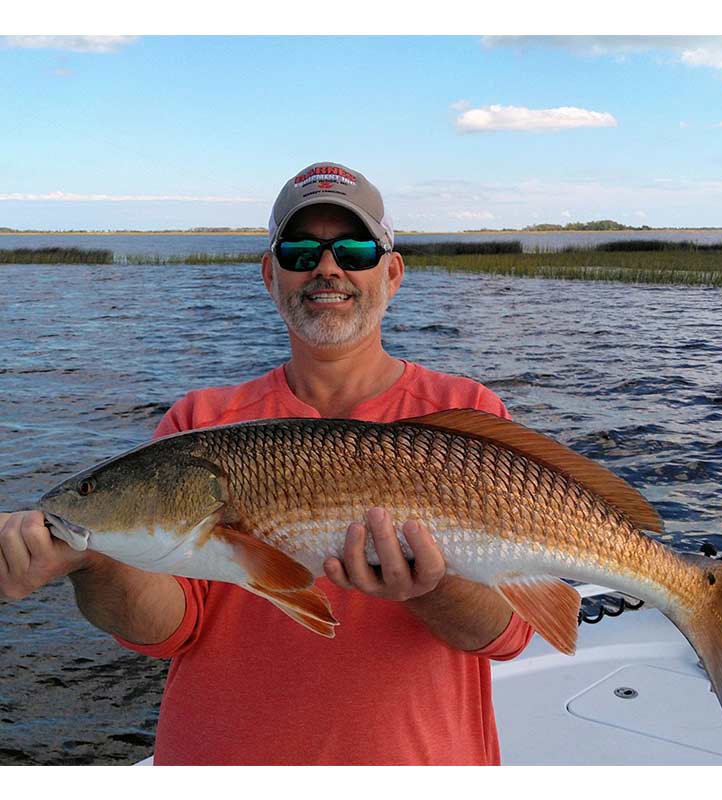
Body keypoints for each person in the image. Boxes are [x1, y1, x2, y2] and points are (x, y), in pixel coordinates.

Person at [0, 162, 533, 765]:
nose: (327, 268)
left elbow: (507, 635)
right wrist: (92, 562)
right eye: (300, 250)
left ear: (392, 272)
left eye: (354, 249)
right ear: (269, 274)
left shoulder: (466, 413)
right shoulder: (199, 420)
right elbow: (171, 629)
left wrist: (431, 590)